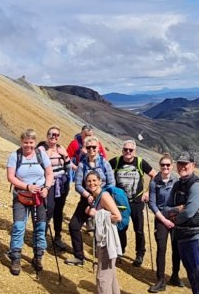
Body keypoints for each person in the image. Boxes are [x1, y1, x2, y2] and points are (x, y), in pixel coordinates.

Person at [163, 153, 199, 294]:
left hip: (196, 238)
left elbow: (189, 212)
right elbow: (165, 209)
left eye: (185, 164)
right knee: (194, 280)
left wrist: (174, 217)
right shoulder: (177, 185)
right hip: (182, 237)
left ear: (193, 165)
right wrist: (177, 209)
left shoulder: (197, 185)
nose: (182, 167)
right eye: (180, 163)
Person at [6, 129, 54, 276]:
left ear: (35, 142)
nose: (28, 145)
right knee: (19, 226)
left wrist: (46, 188)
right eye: (26, 142)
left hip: (39, 196)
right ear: (21, 142)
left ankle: (38, 256)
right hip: (21, 196)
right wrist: (27, 187)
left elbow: (49, 174)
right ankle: (15, 257)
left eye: (31, 142)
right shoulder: (15, 156)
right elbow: (10, 177)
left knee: (40, 227)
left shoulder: (41, 155)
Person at [65, 135, 116, 266]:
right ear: (85, 149)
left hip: (102, 200)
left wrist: (101, 195)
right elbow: (78, 185)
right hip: (86, 200)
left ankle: (105, 258)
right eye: (89, 147)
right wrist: (88, 195)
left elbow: (111, 184)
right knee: (74, 226)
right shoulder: (82, 165)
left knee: (102, 230)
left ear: (98, 148)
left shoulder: (105, 164)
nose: (91, 149)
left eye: (94, 147)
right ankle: (79, 256)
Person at [108, 139, 156, 266]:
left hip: (137, 201)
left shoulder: (140, 162)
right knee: (121, 227)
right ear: (122, 150)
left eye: (131, 150)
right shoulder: (116, 161)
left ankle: (140, 254)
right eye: (126, 149)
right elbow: (105, 170)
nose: (128, 152)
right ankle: (120, 251)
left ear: (134, 151)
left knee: (138, 229)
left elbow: (154, 175)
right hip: (120, 201)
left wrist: (147, 193)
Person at [148, 153, 184, 292]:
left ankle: (175, 275)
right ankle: (161, 280)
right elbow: (152, 203)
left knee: (177, 248)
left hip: (175, 218)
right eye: (163, 165)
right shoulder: (154, 182)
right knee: (161, 249)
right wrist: (163, 220)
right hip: (161, 218)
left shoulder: (177, 181)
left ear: (172, 166)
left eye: (168, 165)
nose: (165, 167)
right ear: (159, 166)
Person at [85, 171, 123, 294]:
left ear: (100, 181)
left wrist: (96, 214)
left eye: (94, 180)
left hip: (108, 241)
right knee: (110, 276)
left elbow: (118, 217)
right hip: (105, 240)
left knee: (102, 278)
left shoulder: (104, 196)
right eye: (89, 181)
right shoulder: (96, 197)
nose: (92, 183)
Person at [38, 125, 71, 251]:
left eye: (57, 135)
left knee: (59, 210)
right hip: (49, 183)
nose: (54, 137)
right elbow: (38, 166)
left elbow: (68, 167)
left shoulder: (60, 148)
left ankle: (57, 236)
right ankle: (41, 235)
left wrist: (65, 156)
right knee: (49, 208)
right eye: (52, 134)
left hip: (62, 183)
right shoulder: (41, 149)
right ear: (47, 135)